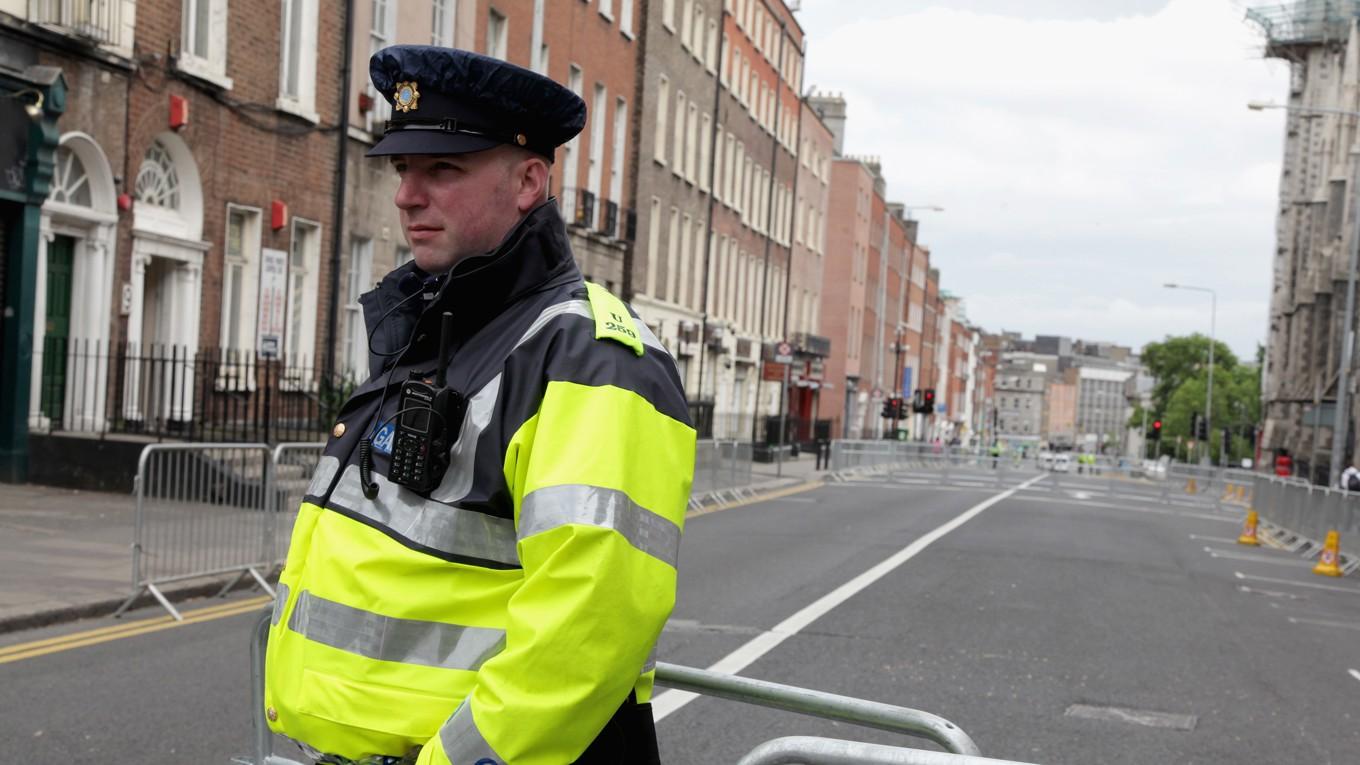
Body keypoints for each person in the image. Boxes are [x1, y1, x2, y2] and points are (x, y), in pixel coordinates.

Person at [263, 46, 696, 765]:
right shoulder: (437, 326)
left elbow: (589, 628)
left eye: (443, 169)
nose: (407, 193)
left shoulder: (592, 355)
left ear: (529, 180)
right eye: (404, 168)